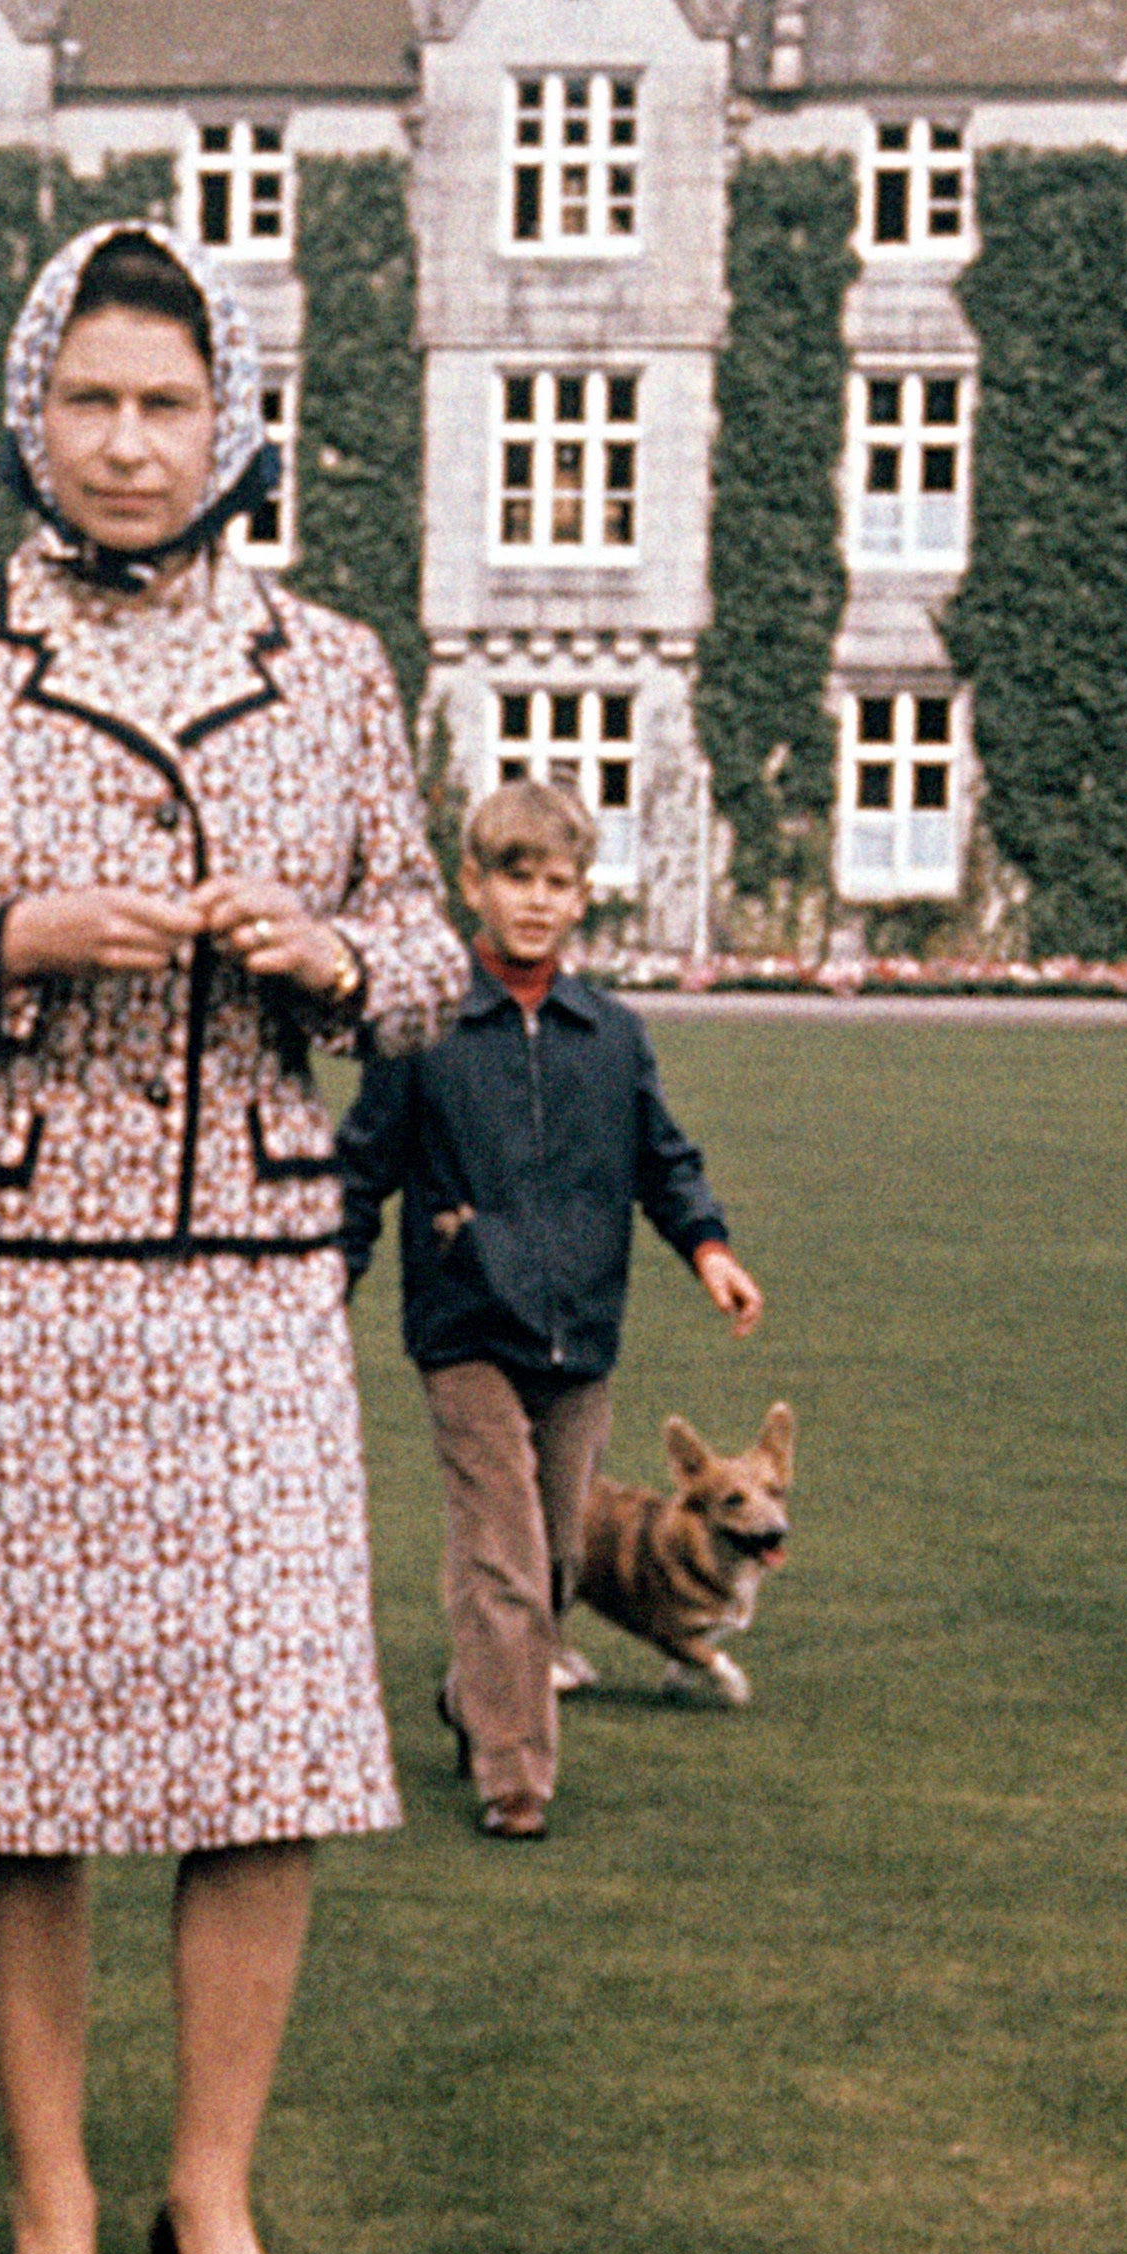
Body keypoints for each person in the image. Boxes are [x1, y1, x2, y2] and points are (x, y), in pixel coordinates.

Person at [0, 221, 468, 2254]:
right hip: (0, 1270)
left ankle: (211, 2207)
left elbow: (433, 944)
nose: (130, 445)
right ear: (25, 412)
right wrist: (9, 930)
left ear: (231, 419)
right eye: (91, 400)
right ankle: (54, 2200)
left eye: (168, 404)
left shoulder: (336, 663)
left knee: (267, 1749)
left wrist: (337, 961)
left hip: (246, 1273)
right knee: (23, 1753)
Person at [334, 777, 762, 1843]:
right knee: (505, 1557)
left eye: (556, 881)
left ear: (582, 897)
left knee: (561, 1559)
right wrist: (318, 1288)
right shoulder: (424, 1032)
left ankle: (476, 1691)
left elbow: (663, 1158)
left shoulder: (609, 1034)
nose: (534, 900)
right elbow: (360, 1172)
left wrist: (707, 1246)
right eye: (513, 877)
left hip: (580, 1331)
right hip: (466, 1328)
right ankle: (513, 1773)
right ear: (471, 885)